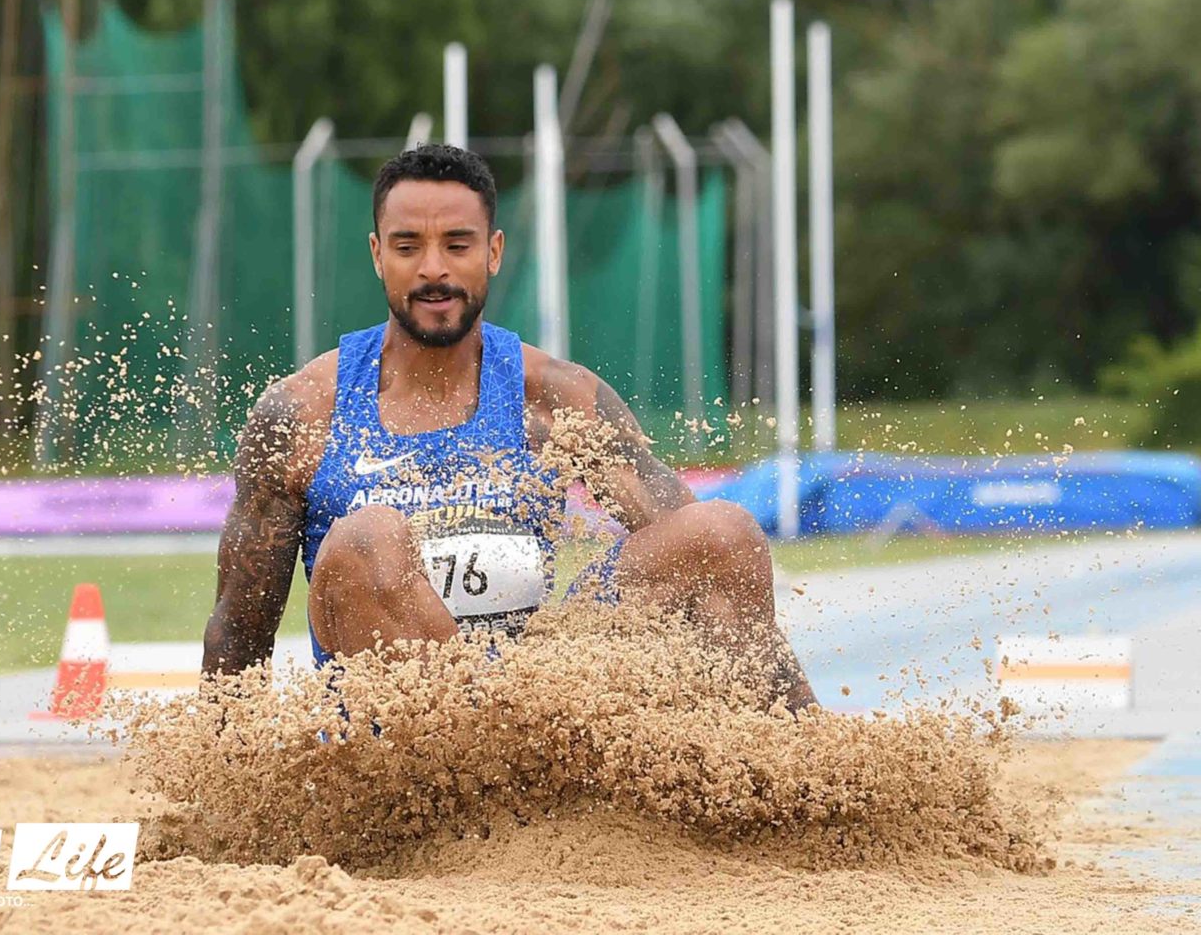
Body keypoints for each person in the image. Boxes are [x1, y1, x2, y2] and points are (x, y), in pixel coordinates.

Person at [201, 144, 816, 711]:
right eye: (408, 247)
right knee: (367, 538)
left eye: (457, 245)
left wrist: (805, 728)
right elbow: (239, 629)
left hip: (531, 712)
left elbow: (711, 574)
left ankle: (805, 761)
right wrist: (218, 781)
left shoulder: (556, 399)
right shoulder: (302, 414)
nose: (433, 270)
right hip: (393, 742)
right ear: (377, 255)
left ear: (493, 252)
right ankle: (473, 760)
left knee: (719, 532)